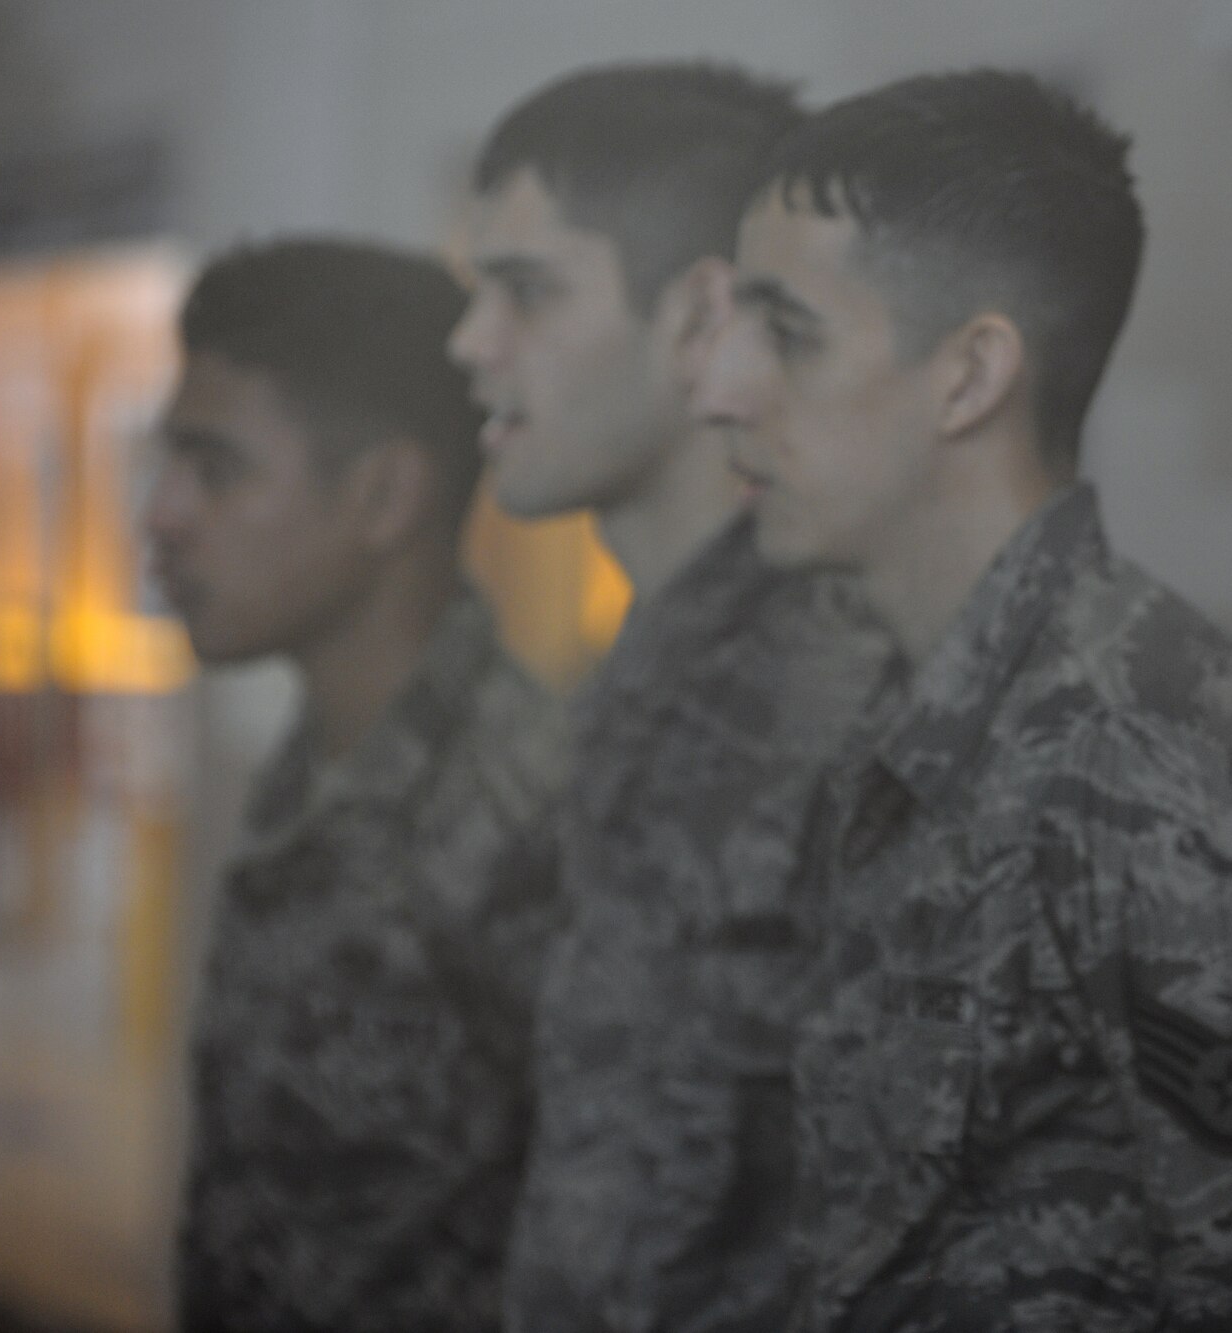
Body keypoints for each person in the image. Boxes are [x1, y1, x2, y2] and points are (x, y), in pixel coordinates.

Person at [695, 68, 1232, 1330]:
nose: (721, 390)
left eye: (785, 331)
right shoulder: (906, 701)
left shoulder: (1146, 752)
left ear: (967, 376)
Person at [447, 63, 888, 1332]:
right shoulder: (641, 679)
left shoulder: (842, 690)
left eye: (524, 291)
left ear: (702, 315)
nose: (468, 342)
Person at [147, 238, 564, 1330]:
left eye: (217, 467)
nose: (164, 514)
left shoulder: (533, 814)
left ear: (383, 495)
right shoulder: (311, 772)